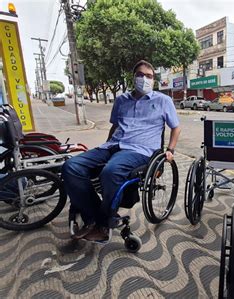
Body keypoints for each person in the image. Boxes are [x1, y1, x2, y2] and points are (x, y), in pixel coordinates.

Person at [62, 60, 181, 242]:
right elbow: (115, 126)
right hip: (113, 145)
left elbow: (176, 128)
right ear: (133, 77)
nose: (144, 79)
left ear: (154, 80)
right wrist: (106, 145)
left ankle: (102, 222)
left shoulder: (163, 101)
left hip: (141, 150)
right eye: (140, 75)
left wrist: (170, 149)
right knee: (71, 166)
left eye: (149, 76)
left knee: (111, 171)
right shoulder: (121, 100)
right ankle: (93, 213)